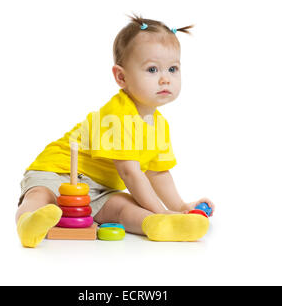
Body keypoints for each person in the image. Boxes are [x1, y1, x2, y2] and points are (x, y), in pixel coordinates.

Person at [16, 13, 215, 248]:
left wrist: (180, 207)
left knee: (125, 208)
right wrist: (162, 209)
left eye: (173, 69)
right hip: (57, 173)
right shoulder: (117, 115)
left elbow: (158, 174)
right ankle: (28, 224)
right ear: (121, 77)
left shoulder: (159, 124)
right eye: (152, 70)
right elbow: (130, 173)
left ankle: (160, 225)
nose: (165, 79)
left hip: (100, 190)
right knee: (42, 197)